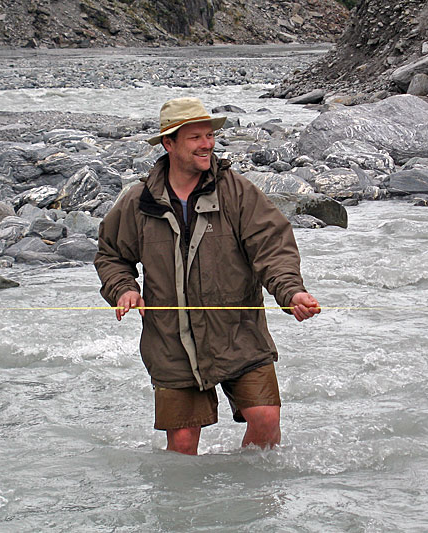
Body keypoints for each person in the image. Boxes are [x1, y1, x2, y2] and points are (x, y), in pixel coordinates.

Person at [94, 97, 320, 455]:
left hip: (238, 333)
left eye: (209, 135)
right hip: (170, 342)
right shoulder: (139, 201)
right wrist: (124, 289)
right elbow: (111, 255)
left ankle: (247, 501)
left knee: (265, 419)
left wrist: (291, 292)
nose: (208, 144)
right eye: (195, 137)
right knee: (182, 446)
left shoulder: (237, 192)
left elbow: (272, 248)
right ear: (168, 143)